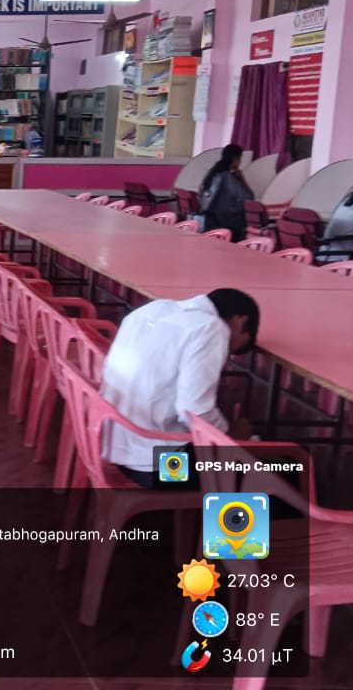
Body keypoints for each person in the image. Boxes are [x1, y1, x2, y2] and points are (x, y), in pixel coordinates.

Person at [100, 288, 260, 487]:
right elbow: (194, 412)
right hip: (156, 466)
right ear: (241, 322)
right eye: (232, 348)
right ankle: (228, 508)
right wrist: (230, 436)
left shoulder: (151, 309)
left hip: (112, 447)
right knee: (264, 473)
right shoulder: (210, 327)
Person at [199, 144, 253, 241]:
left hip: (209, 221)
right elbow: (248, 197)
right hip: (225, 223)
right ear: (235, 158)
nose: (240, 161)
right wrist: (241, 178)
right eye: (240, 158)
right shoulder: (227, 176)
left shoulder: (213, 173)